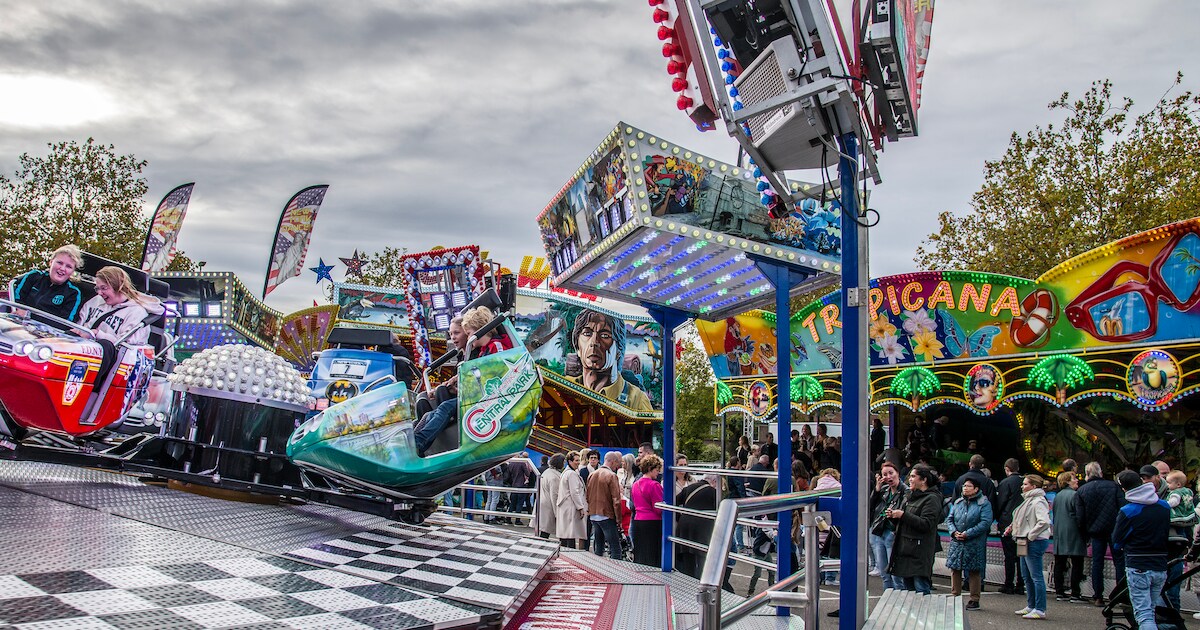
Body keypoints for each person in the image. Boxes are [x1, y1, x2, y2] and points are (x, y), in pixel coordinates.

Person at [414, 306, 507, 455]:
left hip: (487, 399)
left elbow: (496, 373)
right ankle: (413, 441)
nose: (469, 338)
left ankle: (419, 442)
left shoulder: (495, 346)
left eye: (468, 333)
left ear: (479, 330)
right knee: (429, 414)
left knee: (445, 407)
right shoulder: (484, 350)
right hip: (478, 396)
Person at [1113, 469, 1170, 630]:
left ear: (1124, 489)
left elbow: (1117, 541)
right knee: (1150, 611)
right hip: (1160, 563)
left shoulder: (1128, 511)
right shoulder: (1164, 507)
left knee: (1144, 615)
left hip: (1138, 562)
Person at [565, 309, 652, 411]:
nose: (594, 342)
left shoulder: (637, 400)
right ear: (577, 347)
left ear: (618, 350)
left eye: (605, 335)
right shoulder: (565, 388)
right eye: (587, 333)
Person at [886, 464, 943, 594]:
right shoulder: (910, 497)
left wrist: (903, 515)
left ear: (923, 480)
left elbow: (926, 524)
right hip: (906, 551)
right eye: (910, 476)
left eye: (913, 476)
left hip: (919, 553)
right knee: (909, 593)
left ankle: (924, 615)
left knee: (921, 590)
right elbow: (905, 522)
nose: (910, 479)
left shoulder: (932, 499)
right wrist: (894, 517)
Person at [1075, 461, 1124, 605]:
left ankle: (1098, 595)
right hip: (1114, 529)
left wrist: (1084, 534)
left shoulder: (1082, 491)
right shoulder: (1113, 487)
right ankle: (1120, 595)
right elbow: (1122, 508)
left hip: (1095, 530)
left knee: (1097, 563)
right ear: (1101, 472)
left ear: (1086, 474)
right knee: (1119, 562)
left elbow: (1080, 516)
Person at [76, 266, 165, 345]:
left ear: (119, 287)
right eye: (97, 288)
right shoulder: (96, 301)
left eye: (104, 288)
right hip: (83, 346)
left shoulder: (137, 312)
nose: (99, 293)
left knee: (106, 345)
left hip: (111, 356)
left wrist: (98, 334)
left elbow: (125, 345)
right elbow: (80, 324)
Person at [1006, 474, 1051, 620]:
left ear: (1034, 486)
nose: (1022, 486)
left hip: (1034, 541)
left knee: (1035, 576)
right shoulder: (1029, 500)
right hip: (1025, 540)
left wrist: (1030, 535)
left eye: (1025, 484)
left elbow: (1043, 521)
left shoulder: (1038, 501)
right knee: (1026, 575)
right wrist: (1012, 527)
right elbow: (1023, 519)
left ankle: (1040, 608)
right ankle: (1031, 605)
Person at [946, 478, 993, 611]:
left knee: (974, 570)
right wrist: (954, 532)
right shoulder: (958, 502)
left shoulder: (983, 503)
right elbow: (950, 519)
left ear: (976, 489)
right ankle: (955, 595)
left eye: (968, 486)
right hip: (957, 540)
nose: (965, 488)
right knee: (955, 568)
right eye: (964, 486)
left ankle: (974, 599)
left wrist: (968, 533)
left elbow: (985, 523)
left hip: (974, 541)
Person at [11, 244, 84, 322]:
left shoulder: (74, 294)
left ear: (73, 271)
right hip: (17, 320)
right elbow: (16, 297)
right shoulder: (34, 276)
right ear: (51, 262)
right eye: (59, 263)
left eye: (68, 266)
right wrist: (20, 311)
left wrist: (29, 315)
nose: (62, 268)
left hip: (46, 332)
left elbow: (65, 323)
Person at [1051, 471, 1087, 603]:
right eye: (1074, 478)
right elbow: (1080, 516)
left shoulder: (1058, 496)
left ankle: (1059, 591)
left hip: (1060, 533)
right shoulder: (1075, 495)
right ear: (1067, 481)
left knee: (1060, 563)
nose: (1077, 480)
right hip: (1074, 533)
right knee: (1077, 563)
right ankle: (1075, 593)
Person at [869, 461, 905, 588]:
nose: (889, 477)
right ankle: (887, 601)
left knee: (895, 574)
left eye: (891, 473)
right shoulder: (883, 490)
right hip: (880, 532)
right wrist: (877, 489)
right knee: (884, 574)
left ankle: (899, 601)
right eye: (885, 474)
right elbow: (870, 507)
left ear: (898, 473)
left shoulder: (905, 491)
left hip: (893, 534)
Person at [1165, 469, 1196, 610]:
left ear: (1177, 484)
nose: (1167, 484)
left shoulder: (1175, 493)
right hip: (1187, 521)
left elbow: (1173, 503)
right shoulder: (1189, 492)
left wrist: (1163, 505)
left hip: (1176, 522)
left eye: (1169, 482)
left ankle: (1172, 608)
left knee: (1174, 570)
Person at [995, 458, 1027, 595]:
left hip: (1007, 521)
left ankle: (1009, 584)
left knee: (1009, 555)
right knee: (1022, 554)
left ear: (1006, 468)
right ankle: (1021, 584)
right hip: (1024, 524)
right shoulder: (1025, 482)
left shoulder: (1005, 483)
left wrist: (998, 518)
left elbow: (1001, 502)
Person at [585, 451, 624, 560]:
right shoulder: (612, 476)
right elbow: (616, 500)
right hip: (606, 514)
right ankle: (617, 571)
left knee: (599, 546)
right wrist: (619, 520)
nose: (617, 466)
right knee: (615, 548)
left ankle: (598, 569)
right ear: (613, 461)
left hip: (593, 514)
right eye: (617, 463)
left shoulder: (592, 474)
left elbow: (587, 495)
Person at [631, 454, 664, 566]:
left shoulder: (635, 484)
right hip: (653, 522)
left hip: (638, 520)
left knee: (641, 553)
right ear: (650, 468)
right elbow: (658, 508)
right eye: (657, 469)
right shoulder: (655, 485)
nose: (658, 472)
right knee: (653, 553)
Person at [555, 451, 587, 548]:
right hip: (571, 507)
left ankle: (562, 556)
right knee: (571, 534)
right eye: (576, 460)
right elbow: (574, 492)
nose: (578, 462)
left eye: (579, 460)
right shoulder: (572, 474)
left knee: (565, 535)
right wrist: (581, 507)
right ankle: (570, 556)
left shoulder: (565, 472)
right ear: (570, 461)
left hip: (565, 506)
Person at [537, 454, 563, 539]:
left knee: (544, 531)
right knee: (547, 531)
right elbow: (554, 495)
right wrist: (557, 513)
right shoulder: (554, 477)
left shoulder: (547, 472)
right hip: (549, 505)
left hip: (543, 502)